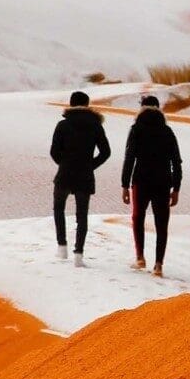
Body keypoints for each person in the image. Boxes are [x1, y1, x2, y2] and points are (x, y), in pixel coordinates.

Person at [121, 95, 182, 277]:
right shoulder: (167, 131)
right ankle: (158, 265)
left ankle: (140, 257)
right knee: (161, 223)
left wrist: (125, 184)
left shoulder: (136, 129)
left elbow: (129, 158)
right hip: (163, 182)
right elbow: (176, 162)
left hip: (141, 180)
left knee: (138, 218)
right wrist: (176, 188)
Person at [49, 91, 111, 266]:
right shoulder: (96, 125)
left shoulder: (63, 125)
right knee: (82, 215)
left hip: (65, 173)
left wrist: (64, 163)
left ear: (71, 104)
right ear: (87, 104)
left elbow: (54, 151)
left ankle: (62, 247)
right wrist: (90, 165)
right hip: (85, 175)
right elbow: (106, 152)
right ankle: (79, 254)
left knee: (59, 209)